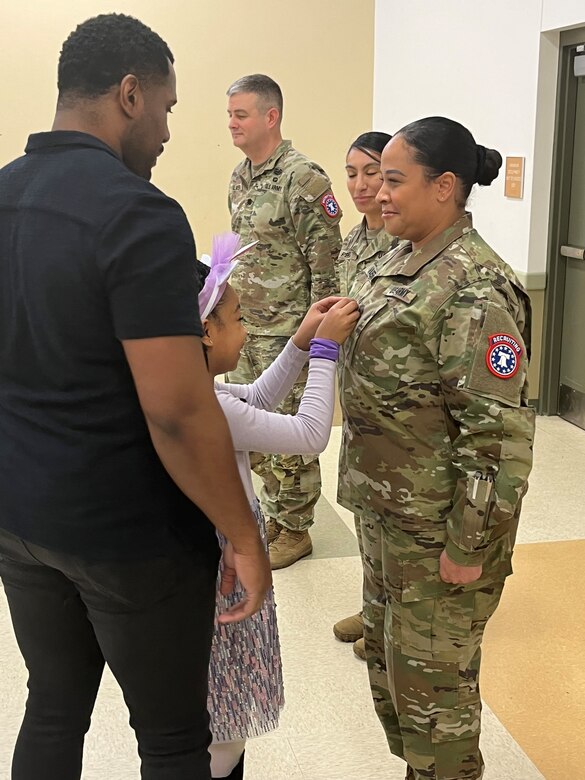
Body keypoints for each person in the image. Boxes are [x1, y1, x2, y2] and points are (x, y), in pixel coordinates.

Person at [0, 14, 270, 780]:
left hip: (19, 516)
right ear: (128, 94)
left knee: (51, 705)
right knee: (175, 739)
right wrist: (243, 539)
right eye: (168, 108)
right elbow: (179, 413)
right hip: (128, 536)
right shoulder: (136, 213)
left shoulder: (4, 195)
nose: (167, 130)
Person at [337, 117, 535, 780]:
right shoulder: (399, 256)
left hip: (437, 534)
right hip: (388, 518)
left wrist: (465, 548)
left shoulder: (474, 290)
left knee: (434, 704)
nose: (378, 194)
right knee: (395, 684)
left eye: (393, 180)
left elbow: (496, 441)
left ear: (444, 186)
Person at [198, 235, 359, 778]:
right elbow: (313, 433)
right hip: (227, 563)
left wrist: (298, 341)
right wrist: (326, 350)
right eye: (237, 318)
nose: (245, 330)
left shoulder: (201, 396)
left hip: (217, 559)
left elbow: (258, 400)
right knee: (222, 715)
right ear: (205, 331)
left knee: (219, 706)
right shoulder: (213, 411)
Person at [226, 73, 343, 569]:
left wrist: (316, 336)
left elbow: (327, 265)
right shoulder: (240, 176)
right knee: (254, 432)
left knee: (290, 434)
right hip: (244, 329)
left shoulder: (303, 178)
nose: (231, 123)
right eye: (229, 114)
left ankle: (296, 529)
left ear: (270, 117)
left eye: (240, 114)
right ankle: (272, 513)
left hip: (288, 333)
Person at [332, 130, 396, 662]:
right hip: (359, 402)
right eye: (351, 172)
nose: (359, 184)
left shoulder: (407, 243)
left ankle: (392, 618)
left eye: (371, 171)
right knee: (365, 510)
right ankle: (373, 606)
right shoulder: (353, 242)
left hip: (397, 410)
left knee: (394, 519)